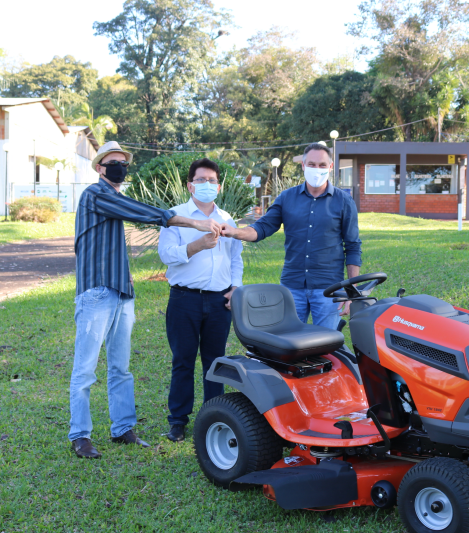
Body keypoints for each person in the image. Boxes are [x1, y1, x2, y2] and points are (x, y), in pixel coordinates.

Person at [69, 141, 222, 459]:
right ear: (99, 167)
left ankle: (122, 428)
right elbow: (145, 213)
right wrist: (193, 222)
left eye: (123, 163)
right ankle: (80, 435)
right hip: (96, 291)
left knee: (121, 368)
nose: (119, 168)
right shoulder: (95, 194)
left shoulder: (114, 197)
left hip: (121, 292)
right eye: (113, 162)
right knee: (85, 370)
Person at [221, 143, 361, 329]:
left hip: (329, 288)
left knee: (327, 345)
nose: (316, 169)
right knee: (289, 344)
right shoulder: (287, 198)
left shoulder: (344, 201)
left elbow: (352, 246)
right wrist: (235, 232)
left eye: (321, 165)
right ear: (303, 166)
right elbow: (262, 227)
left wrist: (351, 290)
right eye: (311, 164)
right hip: (292, 287)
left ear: (330, 167)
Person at [157, 158, 243, 442]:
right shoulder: (175, 216)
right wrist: (197, 245)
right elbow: (167, 255)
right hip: (184, 299)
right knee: (182, 360)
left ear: (218, 186)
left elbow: (235, 259)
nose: (206, 185)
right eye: (201, 180)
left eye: (211, 181)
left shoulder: (228, 219)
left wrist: (235, 288)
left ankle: (213, 418)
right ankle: (178, 421)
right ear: (190, 185)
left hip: (220, 302)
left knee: (215, 363)